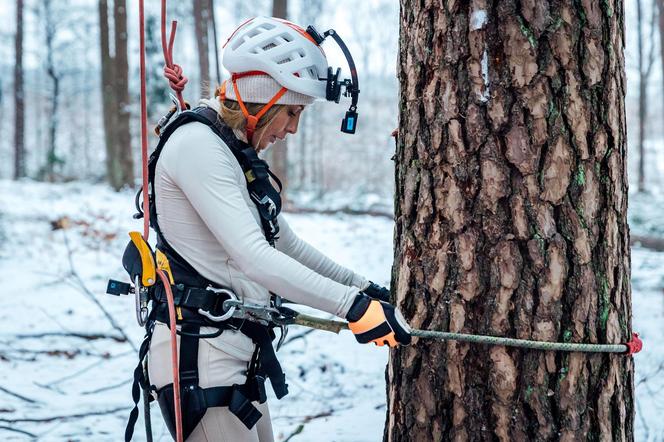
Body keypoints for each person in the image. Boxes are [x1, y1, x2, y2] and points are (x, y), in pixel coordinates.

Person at [146, 16, 411, 442]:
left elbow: (285, 244)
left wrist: (363, 290)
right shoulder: (199, 147)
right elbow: (256, 258)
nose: (291, 129)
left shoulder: (229, 150)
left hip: (229, 361)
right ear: (262, 97)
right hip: (202, 362)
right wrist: (351, 307)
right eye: (292, 112)